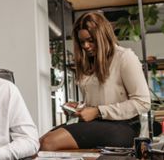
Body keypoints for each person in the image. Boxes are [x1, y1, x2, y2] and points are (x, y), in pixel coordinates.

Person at [40, 11, 150, 151]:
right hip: (96, 123)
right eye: (82, 42)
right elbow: (99, 101)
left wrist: (98, 111)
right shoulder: (89, 63)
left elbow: (143, 102)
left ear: (102, 36)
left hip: (123, 127)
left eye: (90, 40)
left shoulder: (124, 57)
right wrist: (80, 108)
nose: (85, 46)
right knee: (39, 142)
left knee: (48, 143)